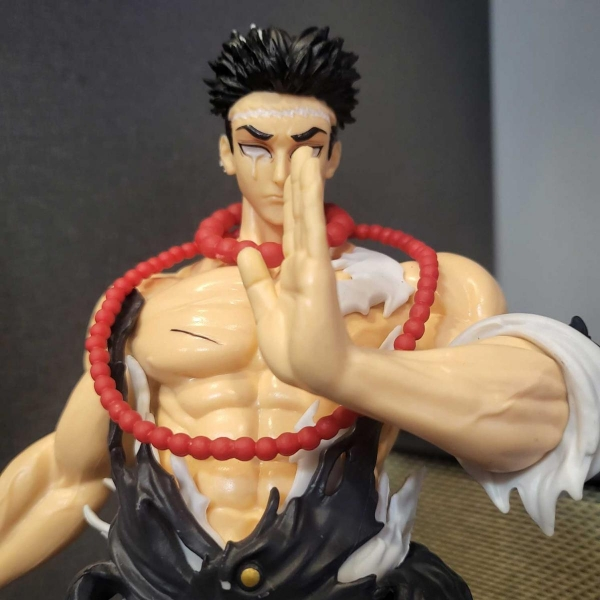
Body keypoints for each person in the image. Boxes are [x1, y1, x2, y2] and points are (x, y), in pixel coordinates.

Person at [0, 25, 598, 600]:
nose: (282, 173)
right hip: (175, 583)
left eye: (307, 147)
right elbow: (64, 475)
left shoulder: (416, 290)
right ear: (226, 152)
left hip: (346, 582)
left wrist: (345, 370)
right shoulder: (145, 303)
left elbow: (550, 418)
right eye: (256, 146)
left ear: (333, 154)